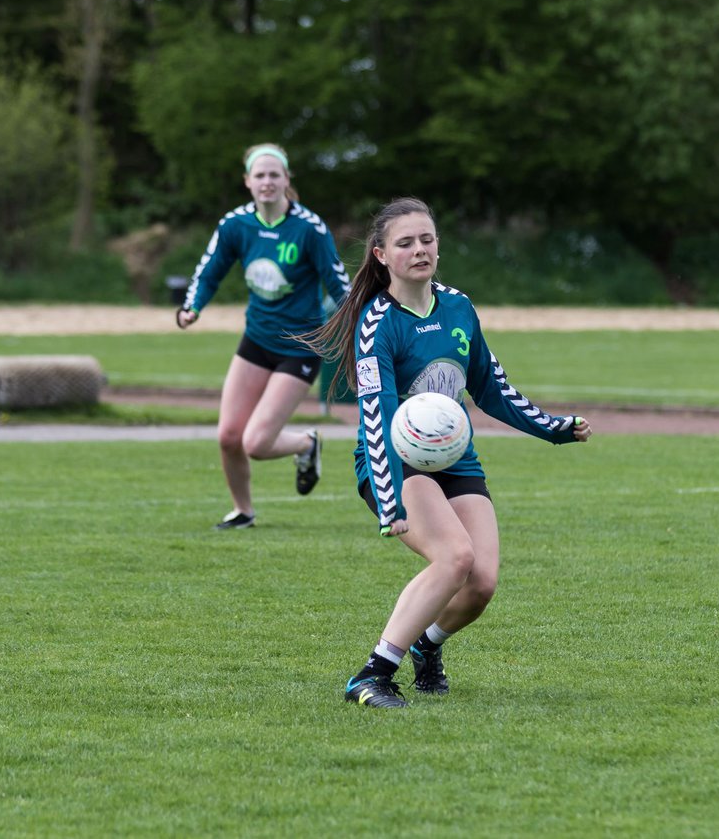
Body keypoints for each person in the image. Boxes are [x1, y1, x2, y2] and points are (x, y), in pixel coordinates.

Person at [303, 197, 592, 708]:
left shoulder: (459, 306)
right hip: (395, 462)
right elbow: (376, 419)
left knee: (480, 582)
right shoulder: (376, 325)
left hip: (456, 459)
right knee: (453, 557)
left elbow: (492, 388)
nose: (420, 249)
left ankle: (425, 642)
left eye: (427, 239)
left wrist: (555, 429)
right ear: (380, 256)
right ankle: (371, 675)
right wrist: (389, 500)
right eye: (405, 242)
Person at [176, 142, 351, 530]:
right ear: (248, 182)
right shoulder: (236, 225)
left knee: (255, 443)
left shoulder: (309, 228)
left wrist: (364, 319)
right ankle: (244, 511)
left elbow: (338, 282)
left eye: (275, 175)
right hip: (256, 341)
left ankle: (307, 443)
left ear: (287, 181)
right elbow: (210, 269)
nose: (267, 182)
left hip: (301, 347)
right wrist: (193, 307)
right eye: (260, 175)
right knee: (228, 436)